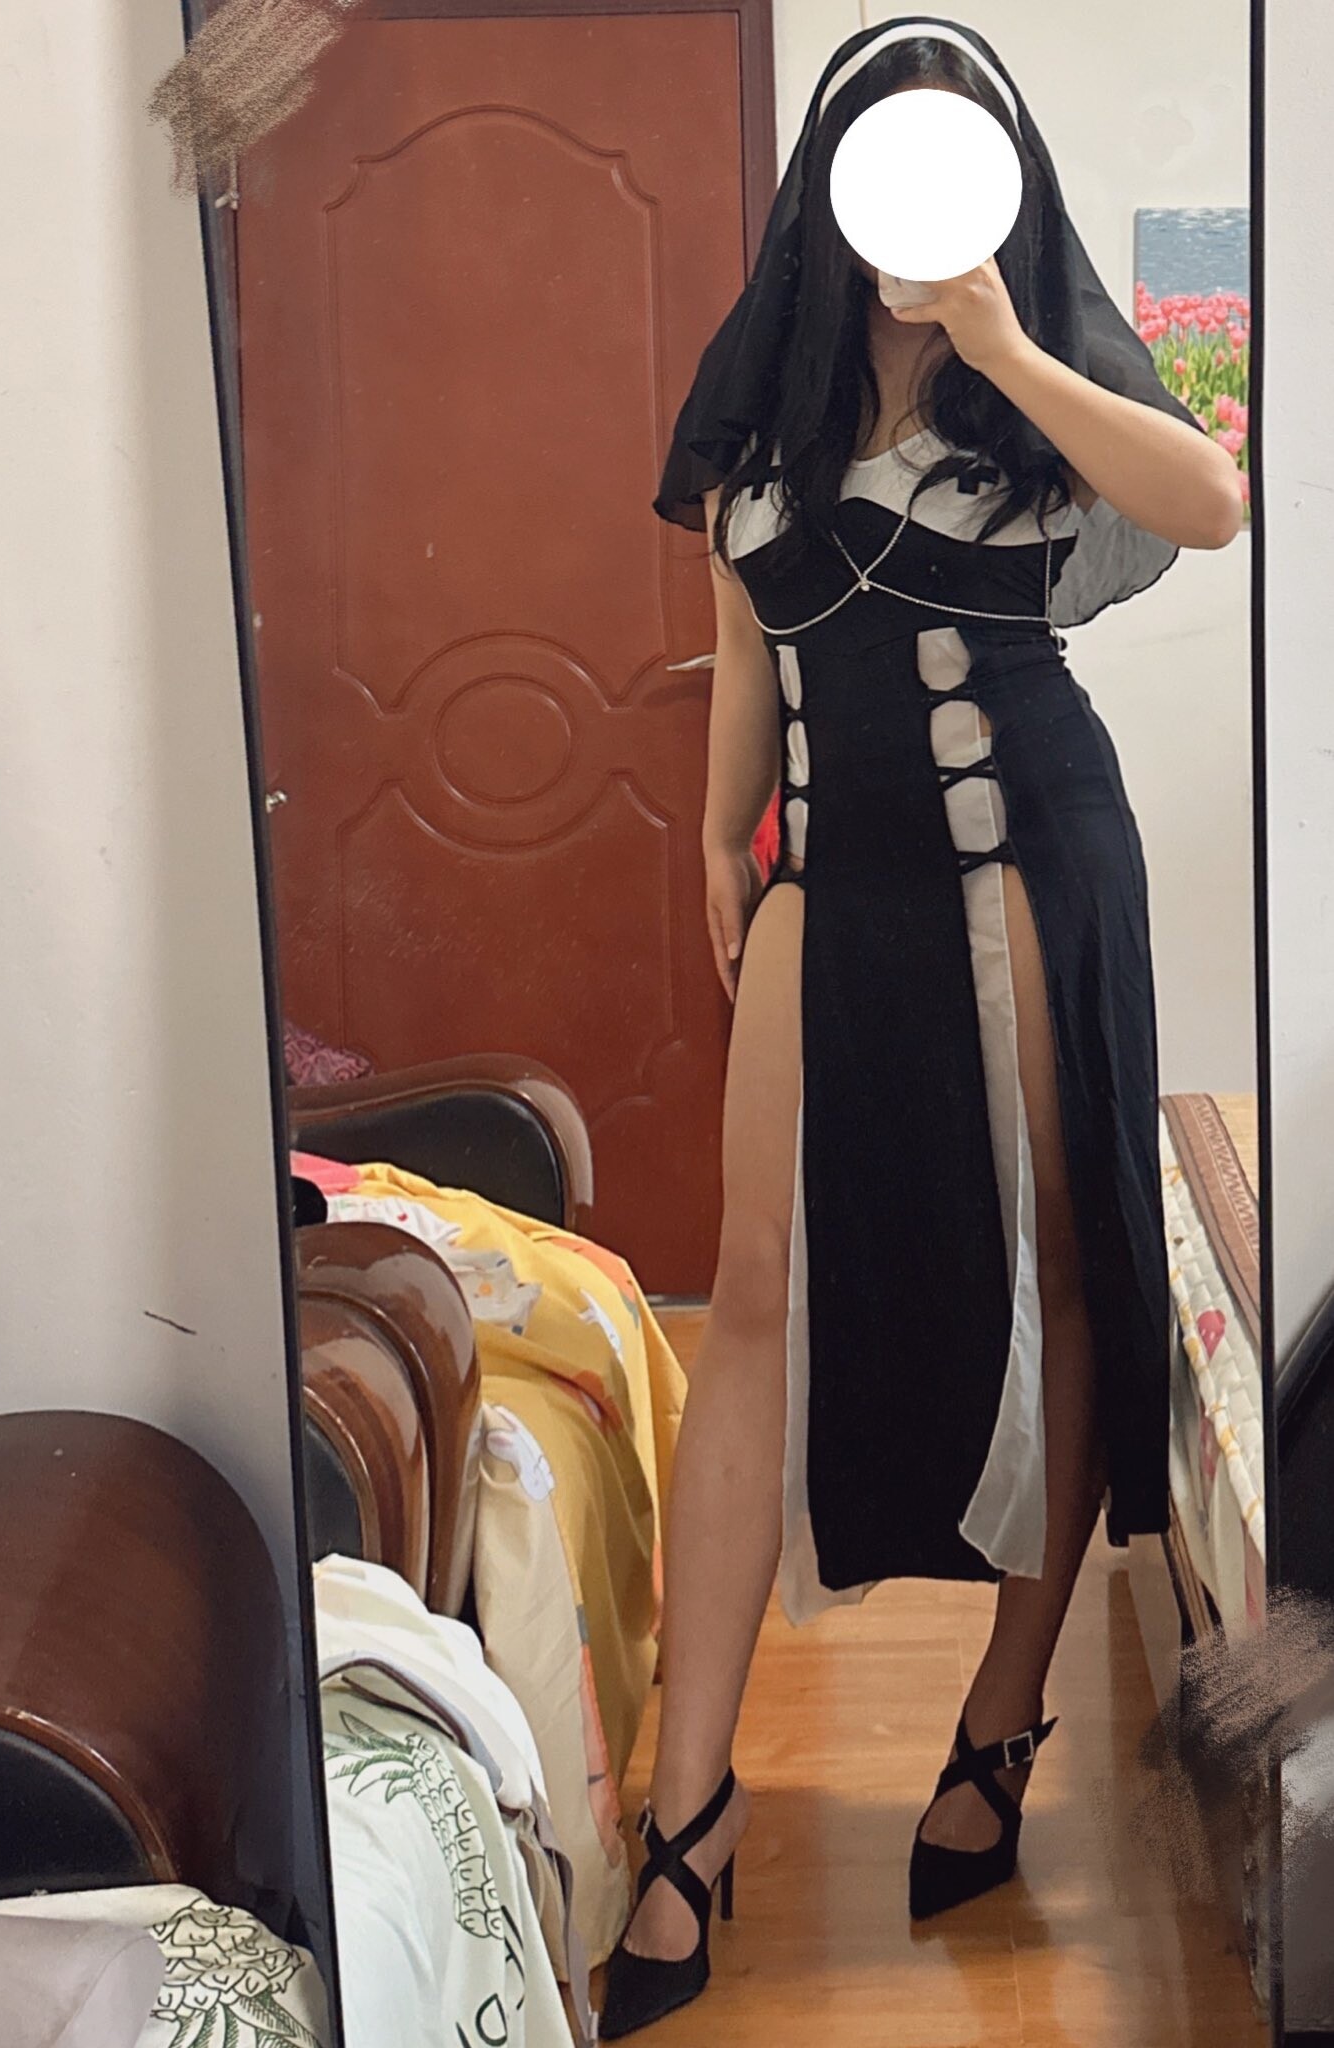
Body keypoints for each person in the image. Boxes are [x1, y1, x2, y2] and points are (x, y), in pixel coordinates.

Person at [598, 20, 1244, 2040]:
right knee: (753, 1297)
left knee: (1057, 1266)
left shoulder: (1033, 388)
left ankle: (1000, 1719)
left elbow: (1209, 501)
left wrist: (998, 335)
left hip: (1028, 854)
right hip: (829, 863)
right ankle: (685, 1813)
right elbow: (743, 645)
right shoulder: (761, 416)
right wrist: (718, 839)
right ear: (827, 186)